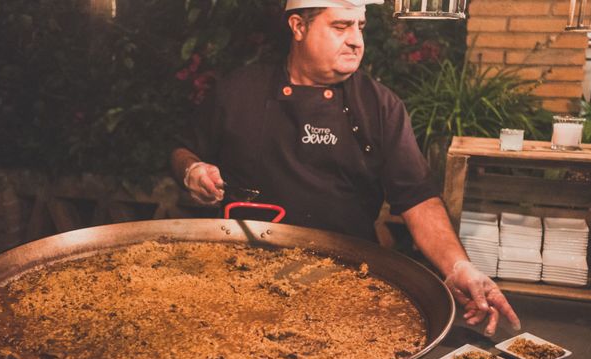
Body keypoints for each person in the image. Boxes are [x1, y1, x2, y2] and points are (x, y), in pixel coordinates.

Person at [170, 0, 521, 336]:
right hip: (240, 281)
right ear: (298, 27)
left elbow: (419, 199)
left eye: (360, 26)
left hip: (346, 285)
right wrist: (192, 170)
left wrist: (458, 266)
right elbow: (182, 149)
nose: (356, 40)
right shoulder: (238, 92)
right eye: (341, 26)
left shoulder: (379, 106)